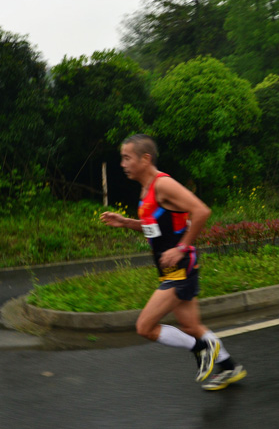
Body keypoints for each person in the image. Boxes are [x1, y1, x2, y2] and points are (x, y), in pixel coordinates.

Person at [100, 134, 246, 391]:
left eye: (127, 158)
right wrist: (126, 222)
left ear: (145, 159)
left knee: (145, 326)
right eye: (121, 158)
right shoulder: (146, 190)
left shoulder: (162, 184)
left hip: (180, 268)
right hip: (169, 268)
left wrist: (181, 248)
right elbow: (154, 226)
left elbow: (202, 211)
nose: (123, 164)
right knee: (190, 325)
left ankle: (202, 349)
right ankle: (231, 368)